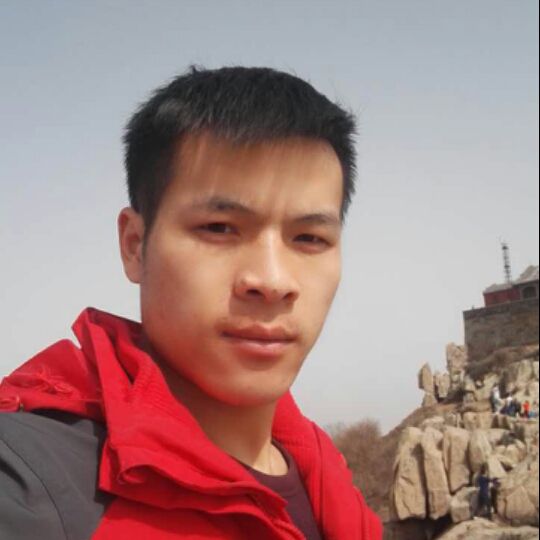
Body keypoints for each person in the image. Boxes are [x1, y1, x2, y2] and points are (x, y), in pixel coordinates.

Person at [0, 66, 382, 539]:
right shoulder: (39, 485)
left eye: (309, 238)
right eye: (219, 228)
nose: (272, 281)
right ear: (135, 245)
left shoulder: (325, 474)